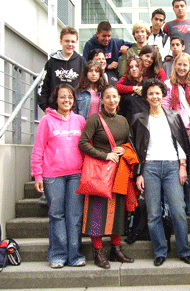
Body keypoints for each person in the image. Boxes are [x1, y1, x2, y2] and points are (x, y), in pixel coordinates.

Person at [131, 79, 190, 267]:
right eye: (150, 93)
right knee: (153, 213)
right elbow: (135, 149)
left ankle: (184, 251)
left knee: (178, 211)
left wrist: (182, 166)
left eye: (157, 93)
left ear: (163, 94)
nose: (154, 96)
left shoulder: (174, 116)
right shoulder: (139, 118)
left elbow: (182, 143)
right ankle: (160, 251)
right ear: (146, 96)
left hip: (172, 166)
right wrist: (139, 173)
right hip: (149, 167)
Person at [78, 86, 137, 268]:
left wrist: (123, 149)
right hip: (99, 172)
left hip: (118, 172)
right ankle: (98, 252)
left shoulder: (123, 120)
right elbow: (82, 143)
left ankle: (116, 250)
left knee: (118, 211)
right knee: (97, 213)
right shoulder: (95, 119)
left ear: (119, 99)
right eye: (108, 97)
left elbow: (128, 142)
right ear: (102, 100)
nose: (112, 100)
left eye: (114, 97)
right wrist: (104, 155)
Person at [31, 84, 86, 268]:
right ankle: (57, 254)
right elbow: (38, 149)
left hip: (76, 174)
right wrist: (37, 175)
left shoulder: (79, 120)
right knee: (56, 215)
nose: (66, 101)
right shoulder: (47, 120)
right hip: (53, 175)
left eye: (70, 97)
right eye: (63, 97)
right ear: (56, 99)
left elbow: (86, 147)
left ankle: (75, 254)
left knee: (75, 215)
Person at [162, 53, 190, 217]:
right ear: (174, 66)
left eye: (185, 65)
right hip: (174, 134)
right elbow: (165, 109)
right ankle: (174, 207)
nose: (182, 68)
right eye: (179, 64)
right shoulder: (166, 85)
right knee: (175, 173)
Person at [37, 27, 86, 112]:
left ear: (76, 42)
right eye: (67, 41)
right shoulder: (51, 62)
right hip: (54, 110)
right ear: (61, 41)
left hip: (75, 112)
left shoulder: (82, 62)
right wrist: (46, 108)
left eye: (73, 41)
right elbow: (42, 87)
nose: (70, 44)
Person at [115, 56, 149, 124]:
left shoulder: (148, 82)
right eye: (131, 67)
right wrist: (134, 88)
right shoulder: (126, 80)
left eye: (136, 66)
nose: (134, 69)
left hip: (146, 120)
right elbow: (116, 87)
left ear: (142, 67)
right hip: (129, 121)